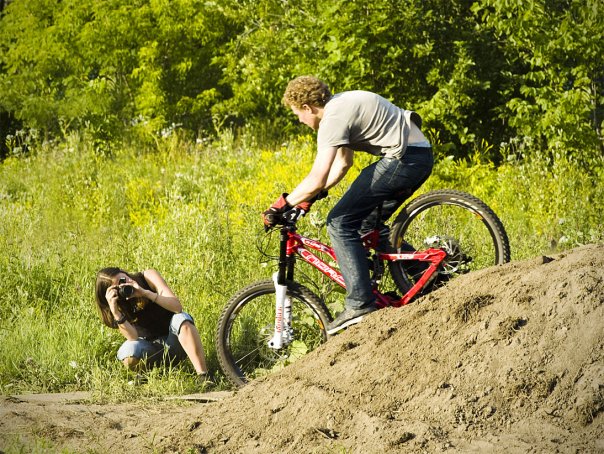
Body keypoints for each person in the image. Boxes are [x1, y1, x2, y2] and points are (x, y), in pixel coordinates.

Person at [263, 76, 434, 335]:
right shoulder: (340, 105)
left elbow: (317, 176)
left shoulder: (331, 119)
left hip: (403, 159)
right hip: (418, 156)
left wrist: (281, 205)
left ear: (307, 107)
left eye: (297, 114)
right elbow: (343, 164)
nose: (299, 120)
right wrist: (311, 196)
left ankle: (359, 303)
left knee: (339, 223)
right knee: (366, 225)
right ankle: (425, 272)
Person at [95, 267, 213, 386]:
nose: (123, 286)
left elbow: (177, 307)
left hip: (175, 342)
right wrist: (116, 312)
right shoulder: (116, 305)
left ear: (124, 272)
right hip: (150, 349)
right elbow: (133, 337)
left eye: (122, 280)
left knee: (182, 319)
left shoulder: (147, 277)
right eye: (117, 288)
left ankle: (203, 376)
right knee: (128, 350)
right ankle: (148, 374)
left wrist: (145, 293)